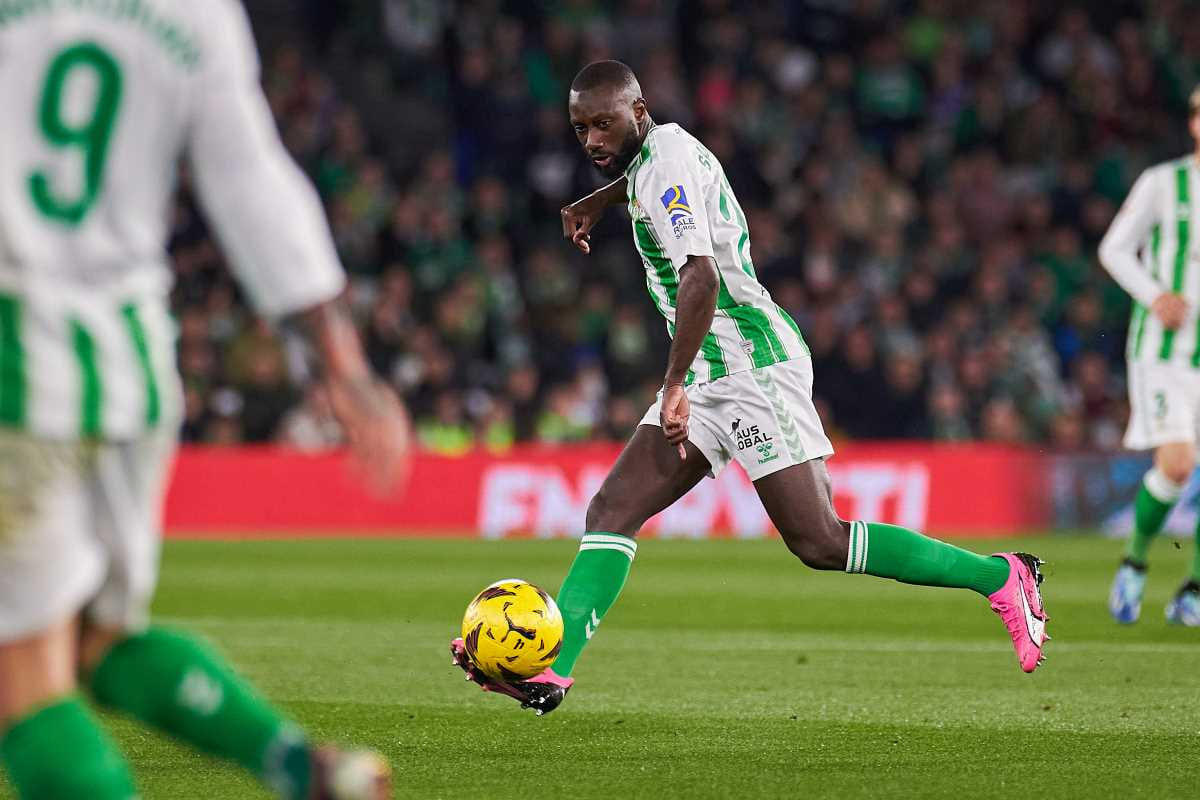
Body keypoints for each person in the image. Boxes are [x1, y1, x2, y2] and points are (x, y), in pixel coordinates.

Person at [451, 60, 1049, 715]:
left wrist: (673, 385)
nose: (592, 139)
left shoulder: (668, 165)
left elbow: (700, 278)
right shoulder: (658, 151)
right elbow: (646, 181)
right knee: (610, 511)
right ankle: (550, 673)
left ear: (638, 111)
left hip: (749, 369)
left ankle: (1002, 576)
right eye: (580, 128)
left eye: (603, 123)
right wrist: (598, 201)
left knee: (819, 540)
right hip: (711, 369)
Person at [0, 2, 409, 798]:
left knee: (22, 683)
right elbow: (251, 179)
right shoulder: (196, 11)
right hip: (134, 364)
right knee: (100, 640)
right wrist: (344, 366)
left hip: (16, 362)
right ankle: (303, 768)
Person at [1101, 86, 1200, 626]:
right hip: (1165, 352)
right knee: (1179, 464)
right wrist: (1155, 295)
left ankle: (1193, 591)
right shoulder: (1165, 184)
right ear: (1193, 123)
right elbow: (1114, 247)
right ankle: (1135, 562)